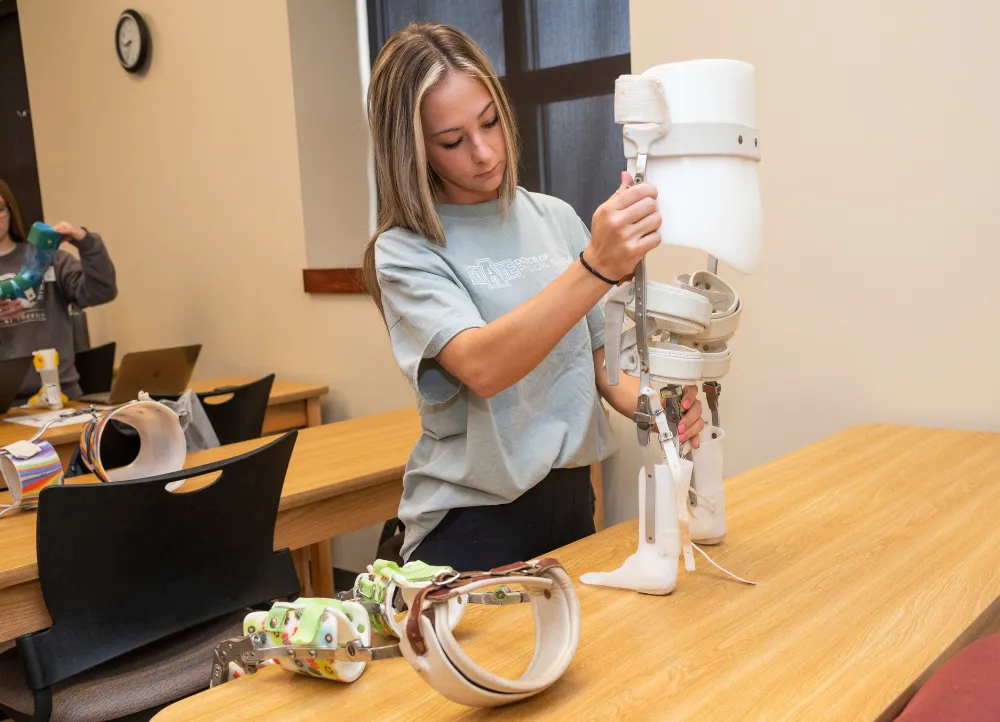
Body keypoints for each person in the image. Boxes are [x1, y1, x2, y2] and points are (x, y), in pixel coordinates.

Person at [362, 23, 705, 571]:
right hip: (470, 523)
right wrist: (595, 267)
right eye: (452, 141)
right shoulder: (404, 252)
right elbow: (482, 365)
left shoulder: (555, 217)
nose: (483, 152)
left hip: (569, 504)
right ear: (412, 149)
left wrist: (659, 409)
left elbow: (603, 366)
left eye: (490, 122)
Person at [0, 178, 117, 400]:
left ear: (10, 210)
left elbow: (102, 291)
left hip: (62, 395)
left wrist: (86, 242)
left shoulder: (51, 260)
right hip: (4, 407)